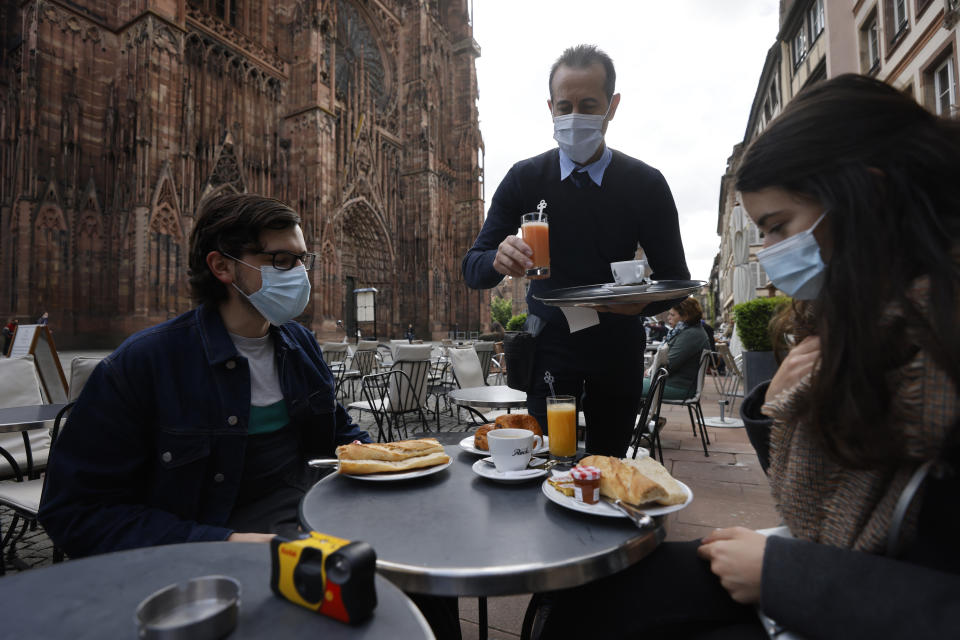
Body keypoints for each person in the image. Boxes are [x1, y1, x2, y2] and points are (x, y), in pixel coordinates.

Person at [535, 74, 960, 638]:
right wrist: (775, 407)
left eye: (779, 227)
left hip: (847, 598)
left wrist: (783, 572)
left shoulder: (935, 350)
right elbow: (822, 496)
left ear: (868, 197)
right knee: (578, 598)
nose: (771, 253)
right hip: (828, 574)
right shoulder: (860, 321)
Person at [39, 194, 372, 554]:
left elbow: (338, 432)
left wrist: (380, 461)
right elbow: (75, 512)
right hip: (219, 558)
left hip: (317, 523)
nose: (299, 275)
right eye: (281, 261)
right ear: (222, 267)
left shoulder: (301, 344)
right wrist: (224, 543)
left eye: (302, 261)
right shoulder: (144, 364)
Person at [462, 44, 689, 456]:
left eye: (588, 105)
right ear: (550, 106)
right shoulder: (525, 177)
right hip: (548, 344)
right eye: (564, 106)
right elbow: (472, 268)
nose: (574, 117)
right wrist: (497, 259)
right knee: (546, 462)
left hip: (616, 345)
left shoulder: (645, 184)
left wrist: (640, 306)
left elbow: (675, 280)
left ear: (611, 107)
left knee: (608, 466)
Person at [642, 297, 710, 401]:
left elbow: (668, 365)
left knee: (627, 387)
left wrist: (649, 372)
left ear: (686, 316)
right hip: (671, 382)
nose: (668, 317)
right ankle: (643, 416)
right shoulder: (687, 331)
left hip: (677, 386)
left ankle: (639, 417)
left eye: (672, 315)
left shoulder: (690, 335)